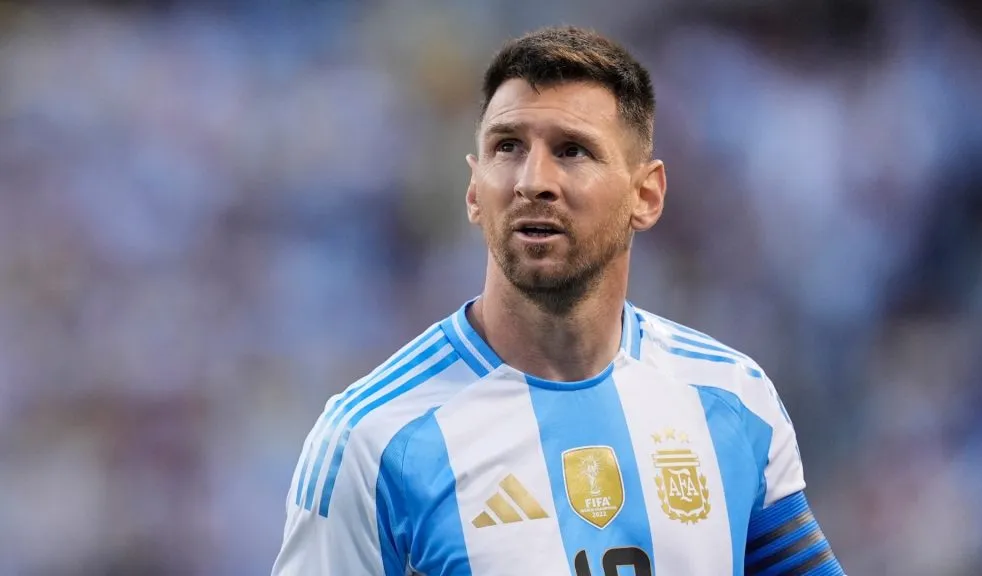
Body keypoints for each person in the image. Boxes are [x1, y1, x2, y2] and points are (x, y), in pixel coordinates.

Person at [271, 25, 845, 576]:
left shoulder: (733, 399)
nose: (532, 180)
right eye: (508, 147)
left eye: (572, 151)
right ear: (474, 191)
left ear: (645, 195)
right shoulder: (372, 440)